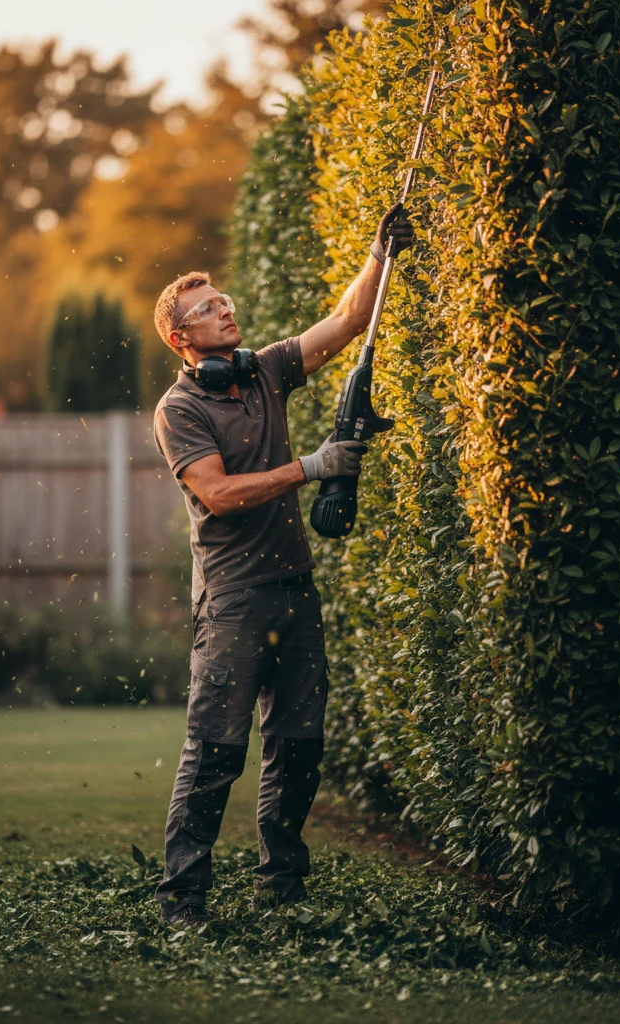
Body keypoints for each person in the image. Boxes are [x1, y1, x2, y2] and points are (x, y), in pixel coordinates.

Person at [150, 203, 415, 926]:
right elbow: (217, 493)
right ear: (182, 338)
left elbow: (347, 322)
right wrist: (311, 466)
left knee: (299, 747)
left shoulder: (264, 370)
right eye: (208, 309)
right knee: (216, 751)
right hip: (234, 599)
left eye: (224, 300)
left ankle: (283, 888)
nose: (225, 310)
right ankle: (184, 898)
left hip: (294, 590)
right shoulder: (180, 410)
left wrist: (379, 251)